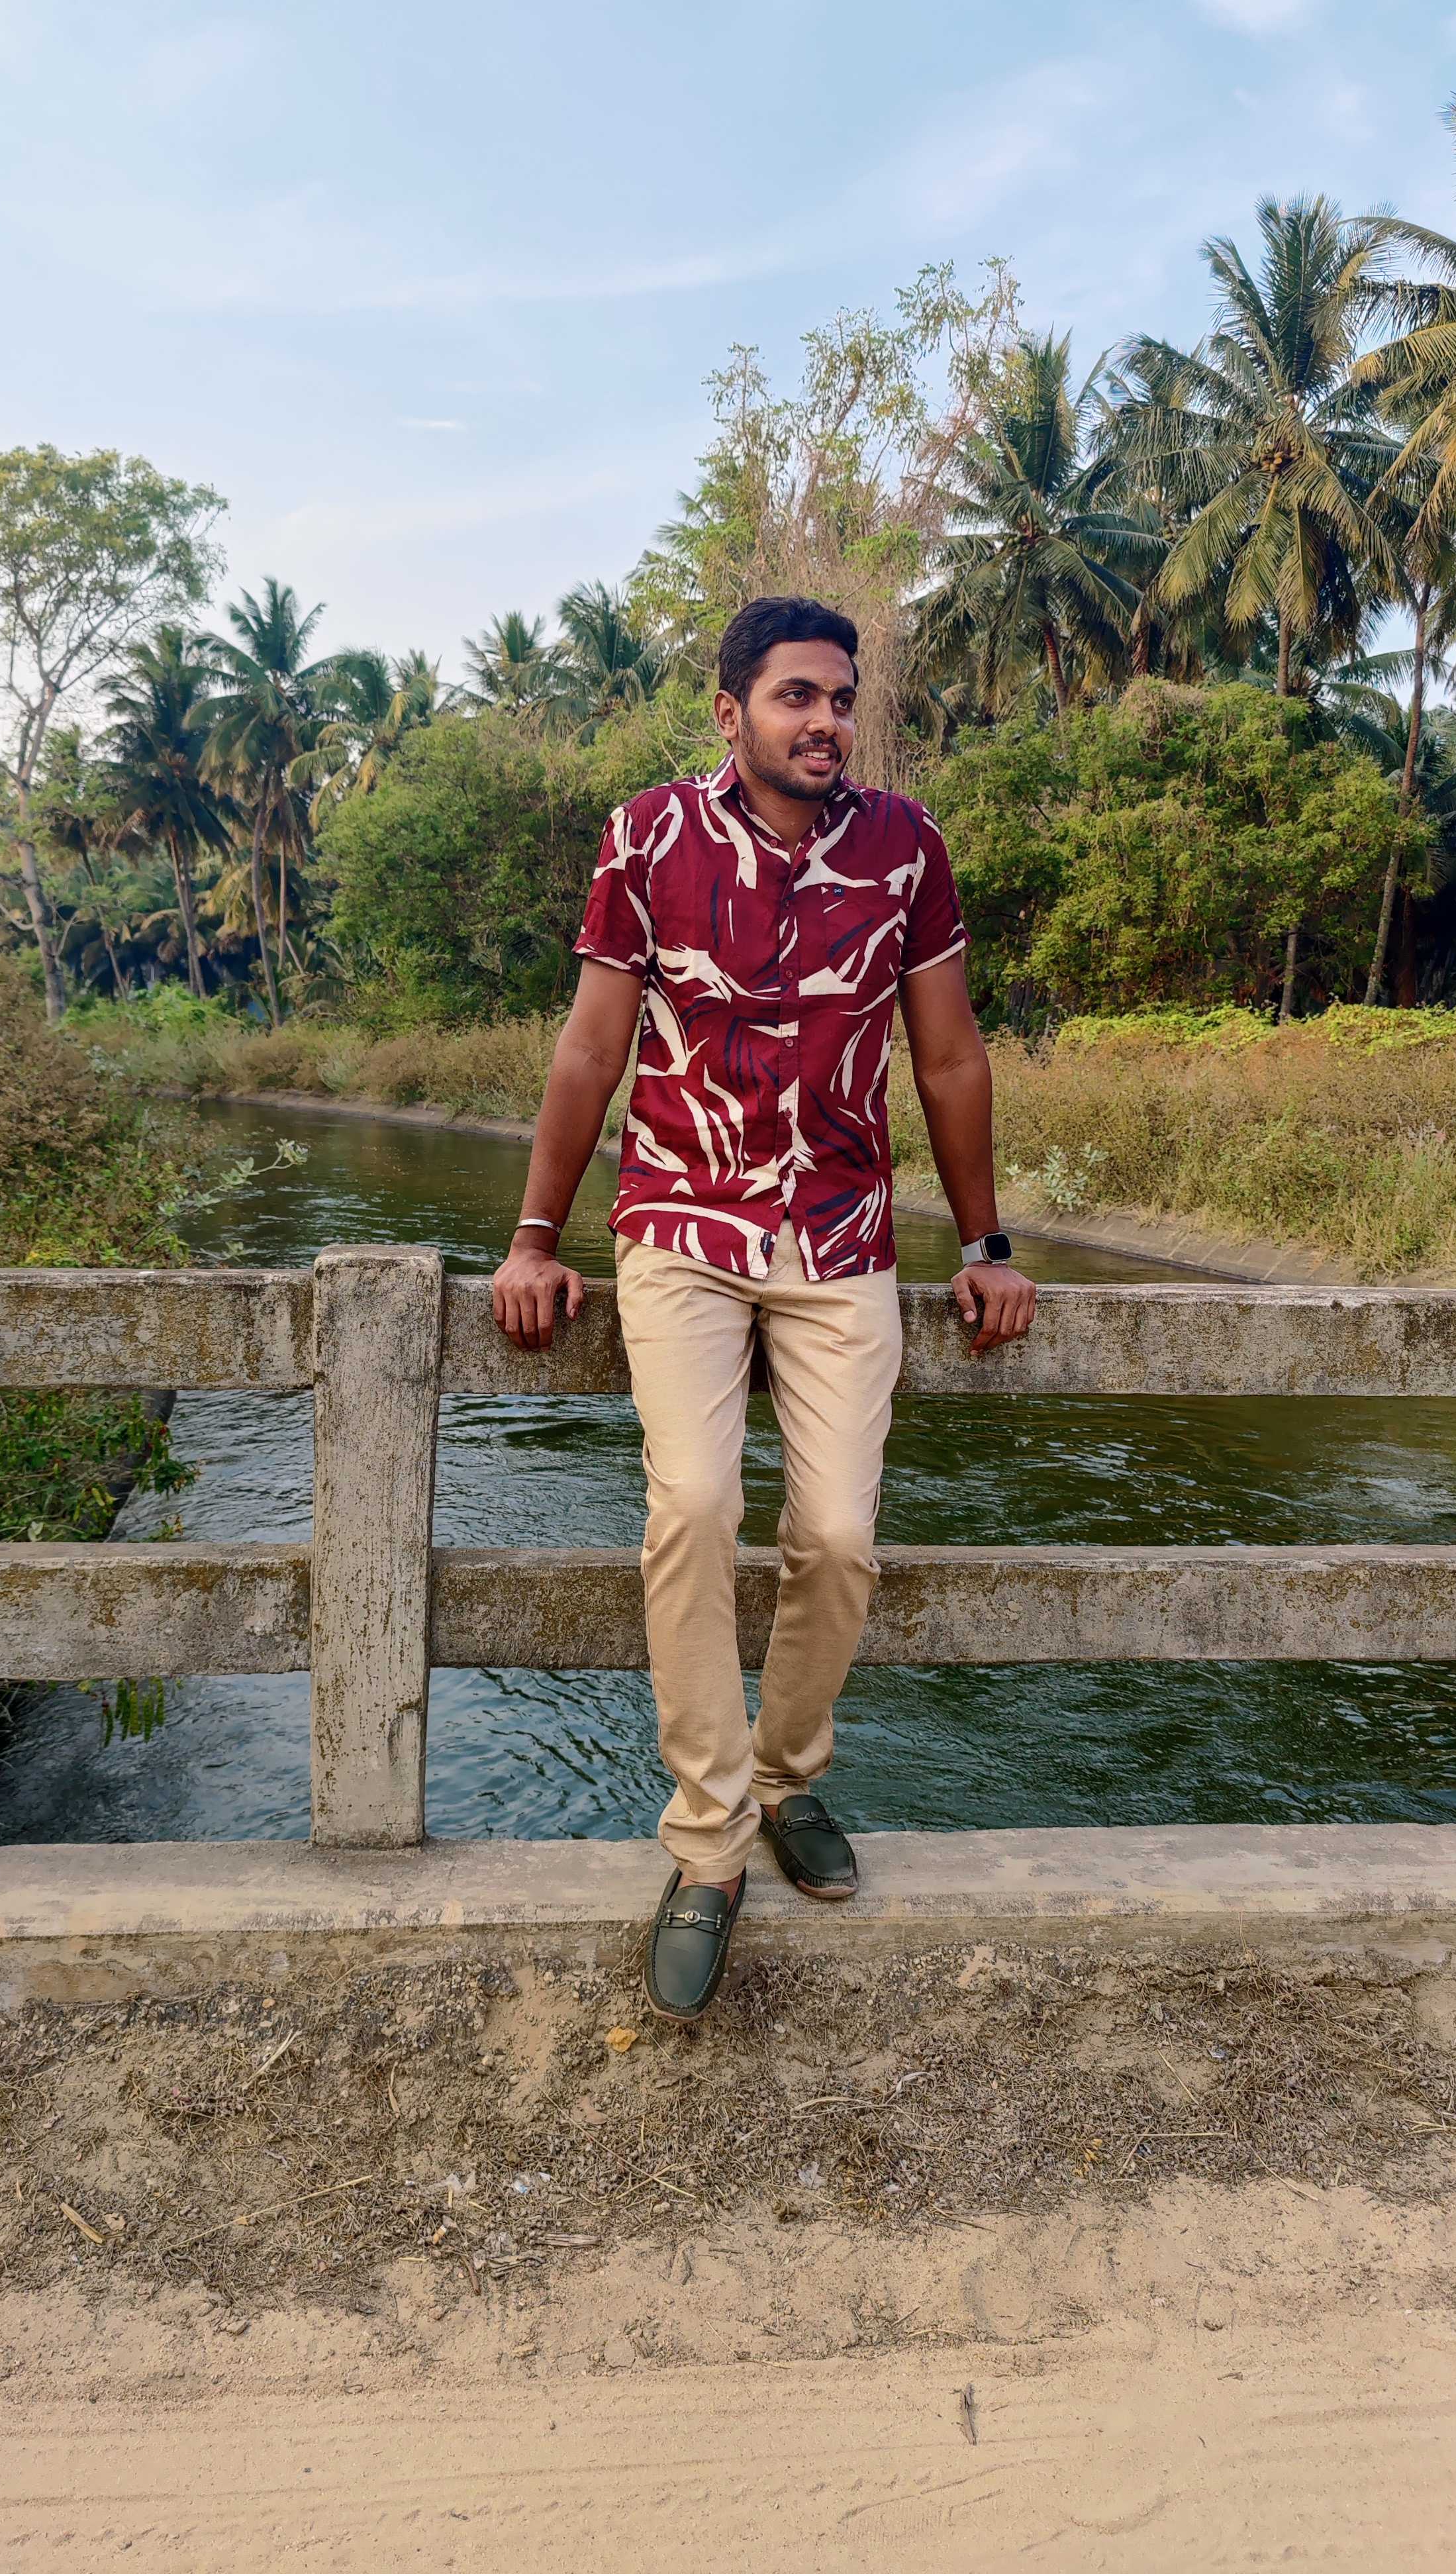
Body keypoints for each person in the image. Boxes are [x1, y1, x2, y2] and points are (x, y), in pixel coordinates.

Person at [491, 595, 1037, 2023]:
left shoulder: (905, 846)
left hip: (842, 1236)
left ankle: (789, 1779)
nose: (827, 721)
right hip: (680, 1223)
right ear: (730, 710)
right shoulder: (648, 835)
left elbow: (950, 1056)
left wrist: (985, 1242)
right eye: (798, 695)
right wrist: (536, 1235)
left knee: (839, 1533)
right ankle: (709, 1845)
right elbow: (592, 1049)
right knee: (693, 1505)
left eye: (843, 697)